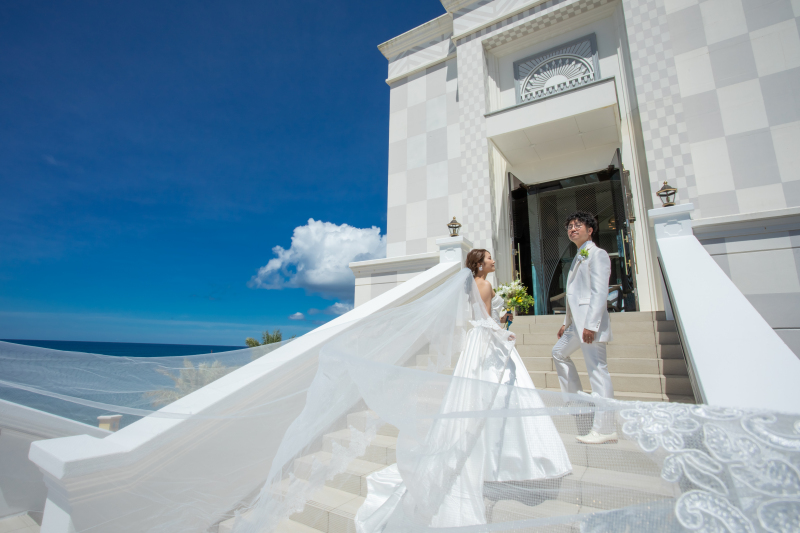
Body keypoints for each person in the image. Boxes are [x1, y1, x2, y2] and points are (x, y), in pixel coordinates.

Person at [355, 251, 571, 531]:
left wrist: (502, 317)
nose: (494, 261)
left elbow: (484, 316)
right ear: (480, 264)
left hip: (480, 341)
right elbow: (483, 320)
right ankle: (509, 459)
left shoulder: (475, 285)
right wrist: (504, 331)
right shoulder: (484, 284)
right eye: (490, 258)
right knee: (502, 393)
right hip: (487, 341)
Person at [551, 211, 617, 444]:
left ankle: (606, 427)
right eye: (569, 226)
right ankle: (579, 400)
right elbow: (575, 294)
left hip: (590, 325)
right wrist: (565, 322)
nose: (572, 229)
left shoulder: (597, 254)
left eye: (578, 225)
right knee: (558, 352)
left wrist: (591, 325)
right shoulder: (580, 256)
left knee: (598, 372)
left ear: (590, 230)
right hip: (576, 325)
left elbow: (599, 292)